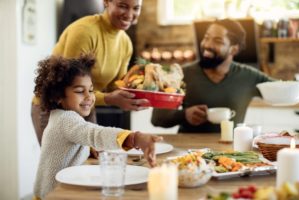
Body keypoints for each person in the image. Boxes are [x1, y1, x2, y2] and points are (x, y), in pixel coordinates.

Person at [32, 54, 162, 199]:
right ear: (58, 96)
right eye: (80, 91)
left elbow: (80, 136)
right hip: (54, 195)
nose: (89, 96)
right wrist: (135, 138)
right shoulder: (65, 119)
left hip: (57, 191)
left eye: (91, 90)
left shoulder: (62, 117)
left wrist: (90, 148)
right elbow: (94, 134)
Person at [31, 0, 148, 146]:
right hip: (54, 107)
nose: (130, 14)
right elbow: (69, 87)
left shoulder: (125, 43)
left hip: (85, 105)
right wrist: (110, 99)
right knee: (63, 164)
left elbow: (114, 87)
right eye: (122, 6)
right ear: (106, 2)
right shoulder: (84, 31)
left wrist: (137, 98)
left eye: (136, 8)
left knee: (93, 158)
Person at [151, 19, 275, 133]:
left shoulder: (250, 76)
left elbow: (281, 88)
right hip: (189, 152)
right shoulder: (181, 75)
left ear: (234, 50)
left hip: (231, 152)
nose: (207, 45)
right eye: (206, 37)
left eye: (217, 41)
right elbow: (157, 118)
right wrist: (184, 115)